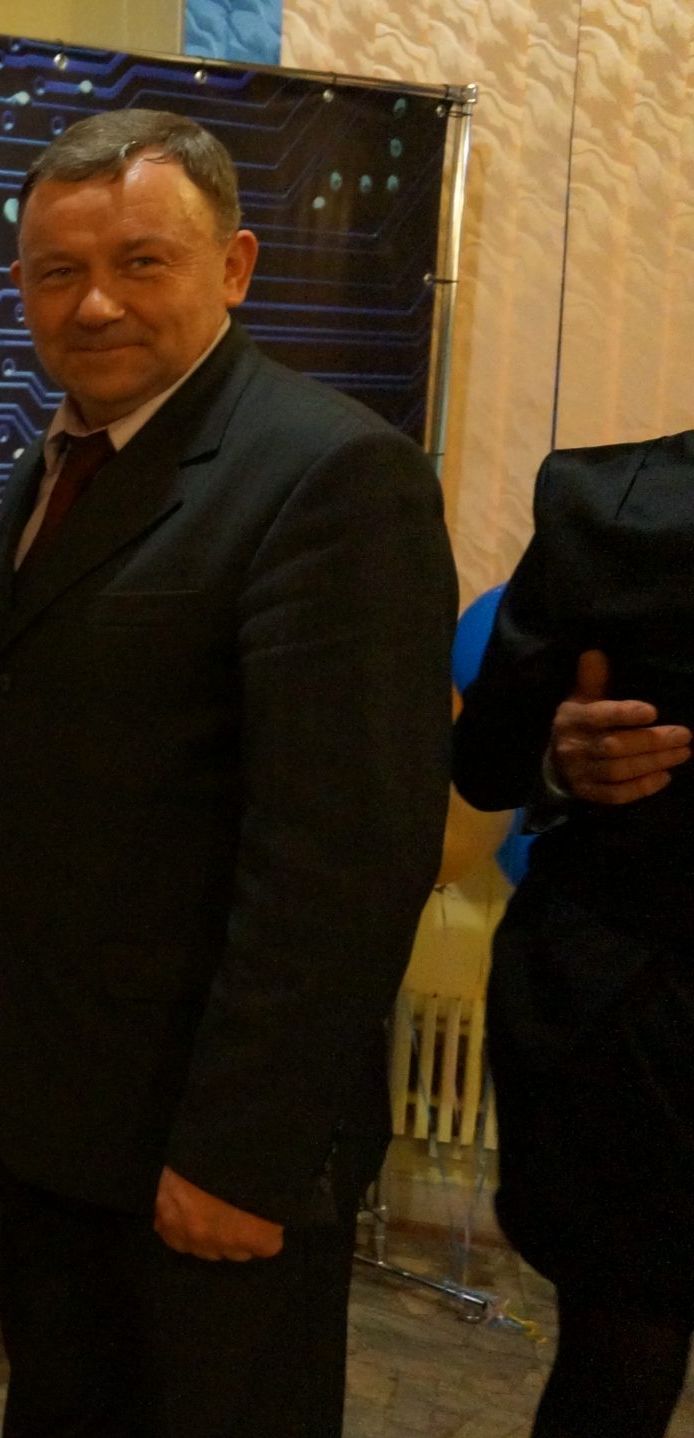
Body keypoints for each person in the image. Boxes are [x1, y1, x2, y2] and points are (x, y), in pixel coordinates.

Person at [0, 108, 457, 1436]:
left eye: (142, 261)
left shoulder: (333, 476)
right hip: (67, 1135)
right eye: (59, 272)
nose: (96, 302)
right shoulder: (60, 461)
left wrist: (241, 1155)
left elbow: (343, 859)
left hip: (211, 1154)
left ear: (233, 266)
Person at [453, 429, 694, 1438]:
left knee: (615, 1365)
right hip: (629, 1015)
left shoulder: (610, 500)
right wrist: (557, 759)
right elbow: (489, 764)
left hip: (624, 1005)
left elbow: (484, 760)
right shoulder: (607, 502)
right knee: (617, 1359)